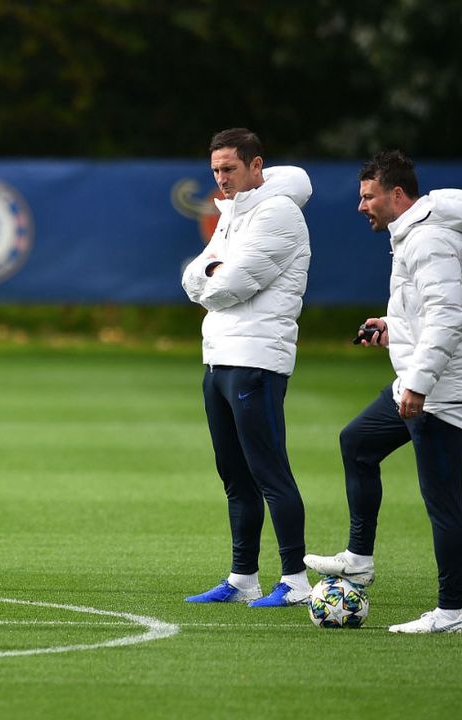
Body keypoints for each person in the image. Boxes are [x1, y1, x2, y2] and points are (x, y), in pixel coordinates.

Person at [305, 151, 462, 634]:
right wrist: (391, 326)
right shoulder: (415, 235)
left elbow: (450, 317)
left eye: (369, 196)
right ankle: (359, 559)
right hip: (418, 379)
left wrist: (420, 385)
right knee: (357, 443)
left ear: (397, 195)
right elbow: (428, 311)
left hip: (437, 391)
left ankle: (449, 614)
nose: (362, 206)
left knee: (442, 501)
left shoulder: (427, 240)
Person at [180, 128, 313, 607]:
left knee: (269, 471)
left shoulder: (278, 213)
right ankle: (243, 579)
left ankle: (296, 581)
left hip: (256, 358)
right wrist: (210, 273)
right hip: (219, 356)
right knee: (233, 474)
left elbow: (227, 284)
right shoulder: (233, 211)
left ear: (257, 166)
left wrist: (210, 275)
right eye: (215, 170)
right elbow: (194, 273)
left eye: (229, 169)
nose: (221, 178)